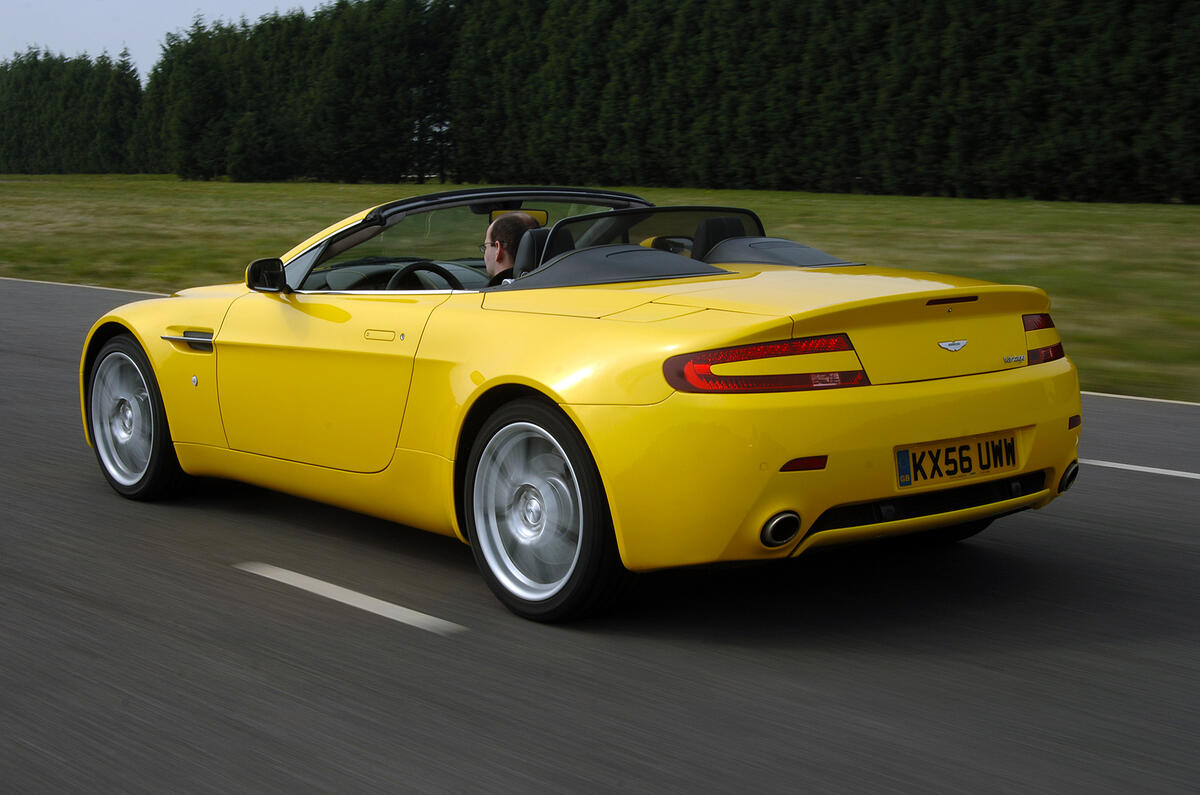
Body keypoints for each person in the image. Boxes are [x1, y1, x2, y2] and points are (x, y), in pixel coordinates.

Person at [482, 212, 539, 286]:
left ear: (498, 250)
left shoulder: (494, 295)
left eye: (486, 246)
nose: (484, 254)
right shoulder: (549, 283)